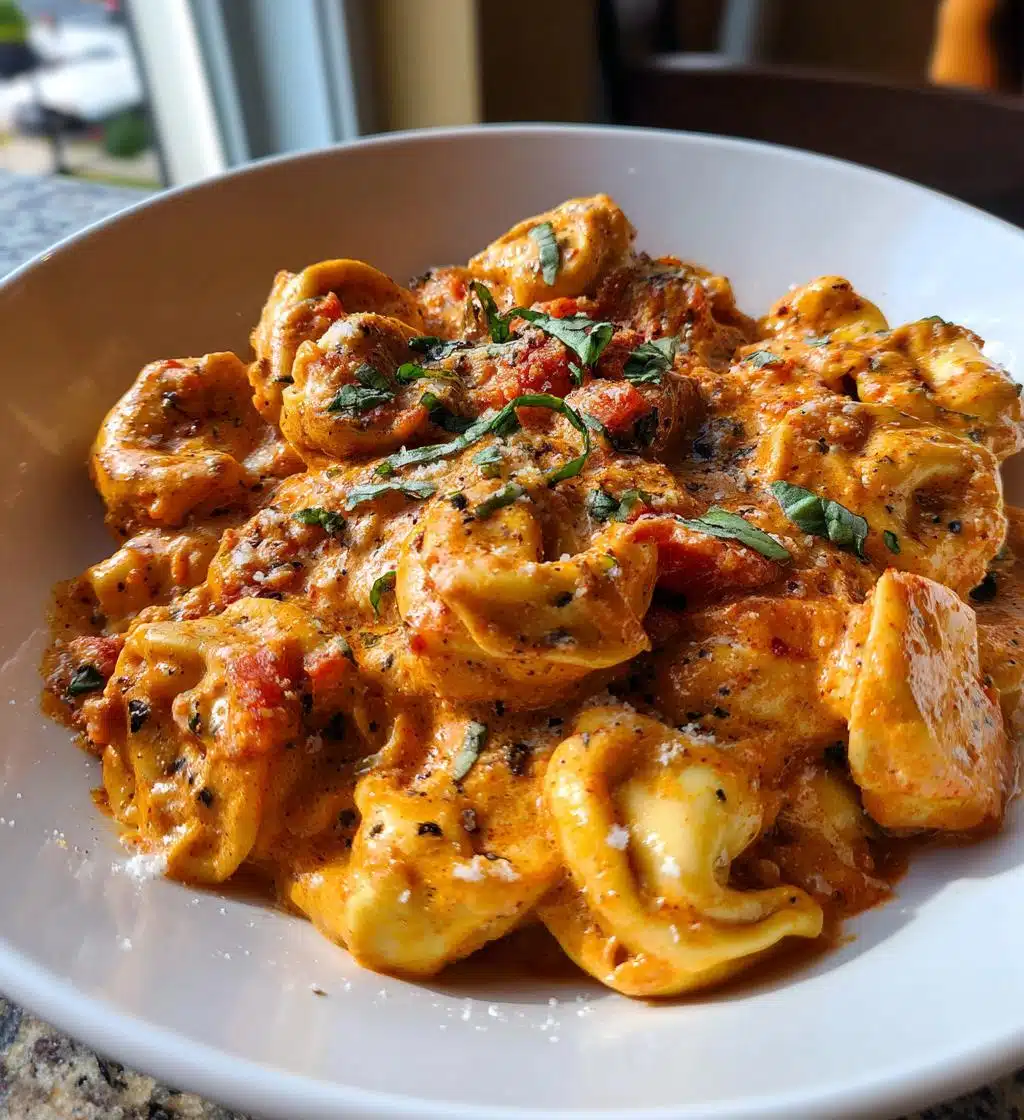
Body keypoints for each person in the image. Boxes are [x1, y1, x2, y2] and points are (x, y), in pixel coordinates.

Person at [0, 0, 36, 80]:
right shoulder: (10, 5)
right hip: (18, 41)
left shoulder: (8, 5)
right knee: (30, 65)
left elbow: (23, 22)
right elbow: (23, 22)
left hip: (9, 43)